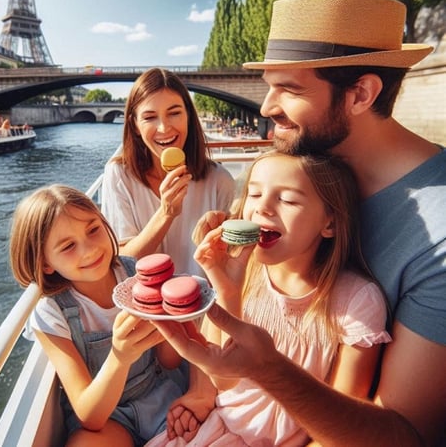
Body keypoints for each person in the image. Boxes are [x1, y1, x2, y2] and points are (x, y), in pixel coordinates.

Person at [154, 0, 446, 446]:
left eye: (288, 88)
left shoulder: (440, 235)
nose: (267, 107)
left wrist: (270, 371)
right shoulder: (296, 176)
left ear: (361, 93)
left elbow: (406, 436)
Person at [147, 151, 390, 446]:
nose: (262, 208)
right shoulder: (242, 273)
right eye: (254, 194)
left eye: (287, 199)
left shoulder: (356, 301)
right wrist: (225, 288)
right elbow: (224, 381)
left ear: (330, 223)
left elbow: (343, 417)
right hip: (223, 427)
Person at [9, 184, 186, 447]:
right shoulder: (51, 313)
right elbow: (90, 417)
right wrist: (120, 357)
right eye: (68, 246)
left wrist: (171, 316)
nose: (89, 250)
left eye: (93, 229)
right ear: (45, 263)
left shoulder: (136, 275)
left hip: (158, 393)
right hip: (107, 418)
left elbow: (169, 362)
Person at [101, 67, 235, 276]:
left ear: (189, 117)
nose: (164, 128)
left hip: (202, 304)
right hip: (143, 307)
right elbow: (124, 264)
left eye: (174, 113)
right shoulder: (118, 175)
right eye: (149, 117)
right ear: (135, 126)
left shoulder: (220, 180)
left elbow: (228, 265)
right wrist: (166, 213)